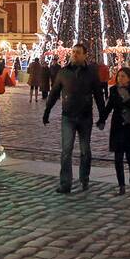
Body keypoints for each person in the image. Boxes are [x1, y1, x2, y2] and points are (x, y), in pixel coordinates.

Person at [43, 44, 106, 193]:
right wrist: (47, 111)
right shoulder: (63, 72)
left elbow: (98, 95)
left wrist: (102, 116)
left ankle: (84, 178)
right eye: (73, 52)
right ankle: (65, 183)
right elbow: (54, 93)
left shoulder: (91, 73)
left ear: (85, 55)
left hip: (85, 117)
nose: (75, 55)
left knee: (85, 151)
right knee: (66, 151)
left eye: (78, 52)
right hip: (68, 117)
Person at [97, 67, 130, 195]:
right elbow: (109, 107)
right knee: (118, 157)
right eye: (119, 76)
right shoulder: (113, 90)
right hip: (117, 126)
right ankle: (121, 185)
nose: (120, 78)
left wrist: (125, 94)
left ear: (129, 78)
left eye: (123, 76)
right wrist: (102, 120)